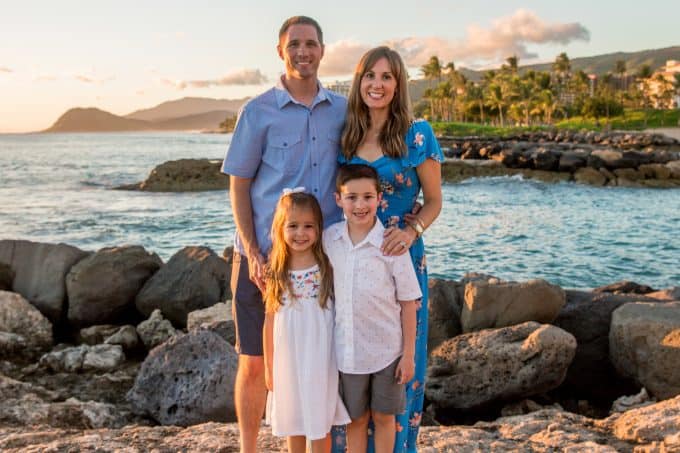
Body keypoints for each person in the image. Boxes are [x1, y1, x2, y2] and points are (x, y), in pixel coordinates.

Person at [221, 15, 346, 453]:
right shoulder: (257, 112)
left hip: (321, 262)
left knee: (320, 361)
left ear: (323, 50)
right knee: (254, 361)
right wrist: (253, 251)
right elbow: (239, 183)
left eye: (311, 43)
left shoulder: (343, 110)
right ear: (280, 51)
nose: (303, 52)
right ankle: (249, 449)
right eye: (294, 44)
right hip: (264, 259)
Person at [331, 47, 443, 452]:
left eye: (386, 77)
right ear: (358, 82)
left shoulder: (418, 134)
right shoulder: (346, 136)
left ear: (398, 85)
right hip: (357, 259)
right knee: (355, 357)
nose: (377, 85)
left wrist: (411, 231)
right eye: (369, 76)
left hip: (401, 255)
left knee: (401, 364)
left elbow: (434, 201)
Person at [324, 164, 422, 453]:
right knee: (355, 419)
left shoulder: (390, 243)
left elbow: (408, 303)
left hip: (387, 353)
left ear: (379, 198)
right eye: (351, 197)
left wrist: (408, 356)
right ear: (338, 199)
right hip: (348, 352)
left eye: (367, 197)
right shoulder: (330, 239)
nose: (360, 205)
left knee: (383, 416)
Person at [263, 190, 350, 453]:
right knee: (293, 415)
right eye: (293, 226)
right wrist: (269, 366)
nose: (301, 233)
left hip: (320, 352)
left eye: (308, 226)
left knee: (319, 414)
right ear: (280, 228)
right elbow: (269, 321)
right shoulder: (277, 268)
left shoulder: (326, 263)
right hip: (288, 354)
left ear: (319, 228)